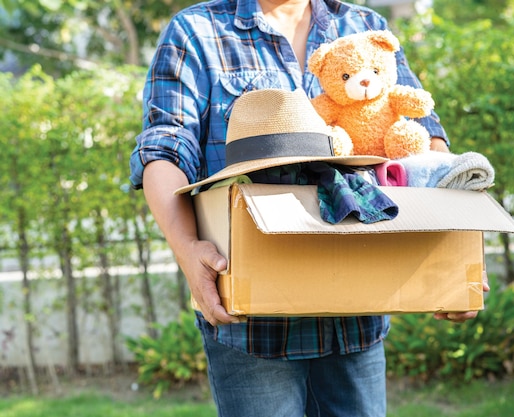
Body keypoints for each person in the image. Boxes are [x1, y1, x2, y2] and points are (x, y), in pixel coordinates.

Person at [129, 0, 489, 416]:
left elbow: (421, 142)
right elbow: (165, 150)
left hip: (357, 318)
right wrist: (188, 250)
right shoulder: (196, 31)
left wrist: (453, 255)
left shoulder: (364, 25)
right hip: (252, 327)